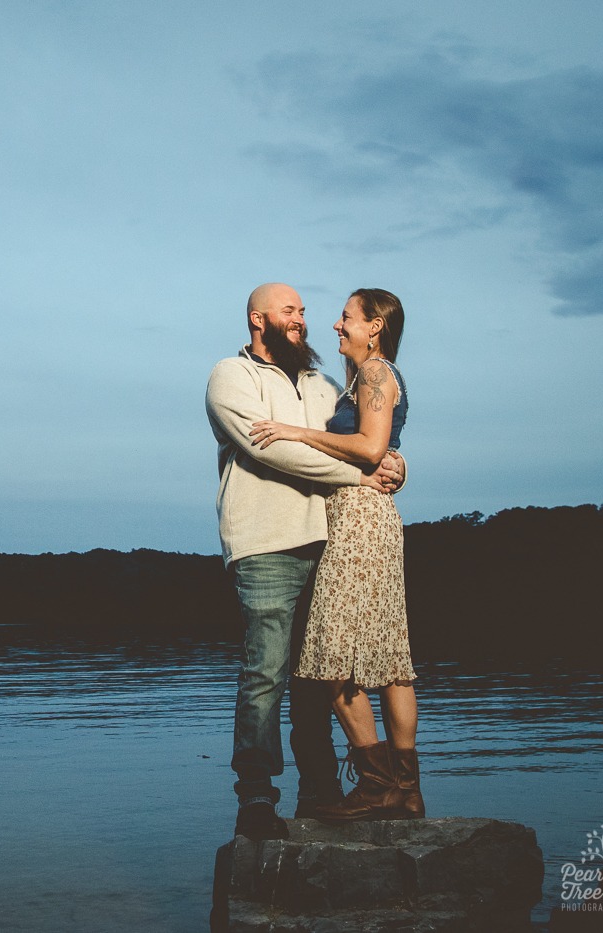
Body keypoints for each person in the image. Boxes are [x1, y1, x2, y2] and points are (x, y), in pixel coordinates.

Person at [206, 282, 404, 840]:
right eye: (289, 311)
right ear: (257, 319)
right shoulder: (230, 376)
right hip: (264, 542)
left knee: (317, 677)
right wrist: (363, 474)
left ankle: (321, 792)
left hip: (329, 540)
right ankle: (257, 799)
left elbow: (354, 436)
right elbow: (273, 449)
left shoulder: (321, 384)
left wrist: (395, 464)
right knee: (266, 671)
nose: (301, 320)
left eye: (303, 312)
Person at [248, 287, 423, 822]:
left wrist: (295, 432)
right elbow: (381, 449)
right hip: (367, 520)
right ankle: (405, 791)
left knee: (329, 659)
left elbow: (371, 448)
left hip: (357, 523)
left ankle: (376, 786)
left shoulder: (374, 373)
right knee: (390, 658)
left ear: (373, 326)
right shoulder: (365, 377)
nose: (334, 326)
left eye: (345, 317)